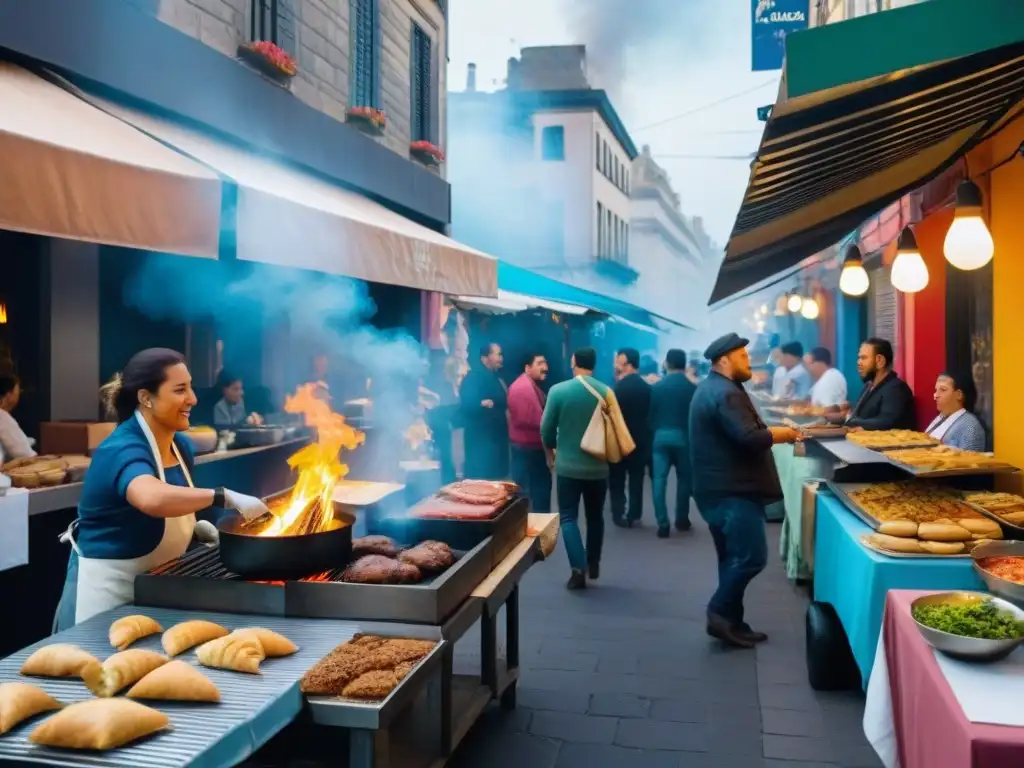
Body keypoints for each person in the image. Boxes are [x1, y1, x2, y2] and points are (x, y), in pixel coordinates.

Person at [54, 348, 271, 630]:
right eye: (180, 390)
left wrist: (196, 533)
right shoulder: (122, 447)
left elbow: (158, 515)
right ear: (145, 398)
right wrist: (222, 496)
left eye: (190, 387)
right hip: (104, 603)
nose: (193, 398)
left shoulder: (179, 447)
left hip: (151, 600)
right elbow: (151, 498)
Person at [689, 333, 801, 648]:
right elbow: (750, 437)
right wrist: (787, 433)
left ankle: (733, 622)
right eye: (743, 356)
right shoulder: (725, 392)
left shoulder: (714, 387)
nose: (748, 362)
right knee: (751, 557)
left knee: (731, 557)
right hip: (732, 491)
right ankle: (719, 611)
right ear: (724, 360)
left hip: (716, 489)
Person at [542, 347, 626, 589]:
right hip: (598, 468)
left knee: (568, 517)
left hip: (567, 467)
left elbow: (546, 430)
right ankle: (594, 561)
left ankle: (577, 568)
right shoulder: (606, 392)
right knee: (595, 517)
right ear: (595, 364)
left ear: (574, 362)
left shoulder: (558, 391)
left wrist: (550, 453)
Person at [649, 349, 697, 538]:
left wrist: (655, 430)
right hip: (684, 438)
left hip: (660, 437)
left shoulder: (656, 388)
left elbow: (651, 415)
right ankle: (681, 519)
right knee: (684, 480)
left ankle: (662, 523)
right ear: (684, 365)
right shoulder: (692, 388)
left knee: (659, 481)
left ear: (667, 364)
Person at [610, 348, 649, 527]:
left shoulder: (617, 389)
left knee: (617, 479)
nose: (617, 365)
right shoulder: (646, 387)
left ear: (628, 365)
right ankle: (635, 512)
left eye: (619, 362)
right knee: (636, 478)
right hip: (640, 441)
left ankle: (618, 513)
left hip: (618, 441)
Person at [507, 353, 551, 513]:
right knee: (534, 492)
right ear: (527, 368)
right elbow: (530, 420)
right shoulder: (522, 388)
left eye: (545, 363)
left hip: (529, 448)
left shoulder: (528, 385)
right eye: (539, 363)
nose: (545, 367)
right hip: (528, 449)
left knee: (533, 491)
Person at [841, 338, 916, 431]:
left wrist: (853, 420)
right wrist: (844, 416)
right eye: (859, 358)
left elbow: (886, 421)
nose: (859, 362)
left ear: (880, 361)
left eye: (864, 358)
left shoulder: (896, 389)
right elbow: (857, 416)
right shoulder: (868, 386)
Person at [459, 342, 509, 480]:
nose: (501, 358)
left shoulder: (497, 377)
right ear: (484, 358)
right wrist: (482, 403)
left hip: (496, 440)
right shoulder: (473, 377)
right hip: (480, 442)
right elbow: (467, 404)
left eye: (501, 354)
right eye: (497, 354)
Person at [926, 371, 986, 451]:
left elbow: (971, 461)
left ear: (959, 395)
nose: (936, 395)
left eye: (943, 390)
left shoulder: (970, 426)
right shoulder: (941, 417)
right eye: (936, 390)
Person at [0, 373, 36, 462]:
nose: (20, 393)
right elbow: (24, 453)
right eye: (17, 390)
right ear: (8, 394)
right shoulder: (2, 417)